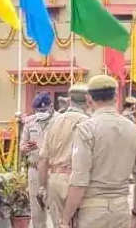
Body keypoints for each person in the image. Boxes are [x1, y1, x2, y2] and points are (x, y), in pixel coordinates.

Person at [60, 75, 136, 228]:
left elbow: (79, 180)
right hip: (121, 210)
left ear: (89, 99)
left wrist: (65, 218)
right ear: (116, 97)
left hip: (92, 211)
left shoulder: (86, 130)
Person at [37, 84, 90, 228]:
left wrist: (42, 186)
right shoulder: (88, 123)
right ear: (88, 100)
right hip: (77, 181)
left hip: (54, 179)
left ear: (69, 100)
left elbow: (43, 159)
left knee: (59, 224)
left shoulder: (54, 121)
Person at [21, 93, 58, 228]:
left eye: (43, 110)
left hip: (53, 171)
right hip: (35, 170)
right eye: (37, 111)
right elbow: (22, 146)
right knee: (37, 210)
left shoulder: (60, 121)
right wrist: (25, 148)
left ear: (51, 106)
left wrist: (43, 147)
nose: (40, 113)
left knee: (56, 209)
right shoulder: (30, 122)